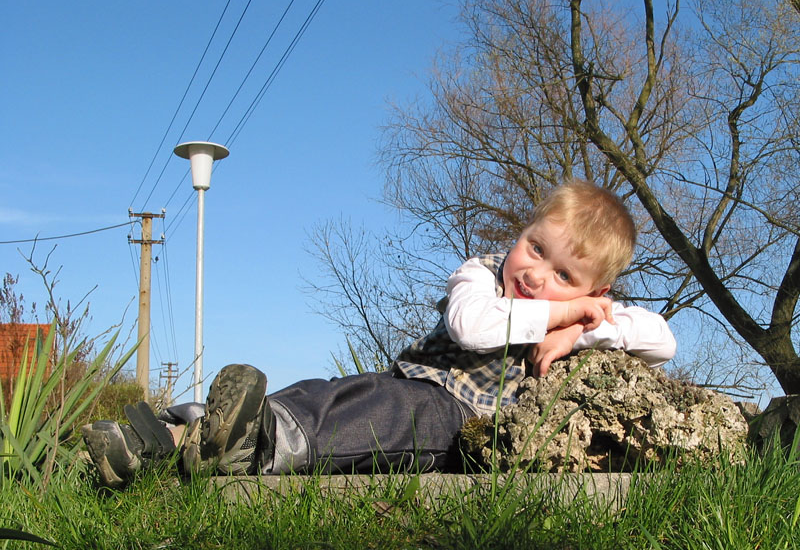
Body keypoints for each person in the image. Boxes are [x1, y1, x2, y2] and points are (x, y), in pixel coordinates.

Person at [82, 180, 676, 486]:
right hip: (417, 388)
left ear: (593, 290)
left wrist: (584, 331)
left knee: (373, 423)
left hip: (466, 429)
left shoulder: (586, 315)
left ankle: (250, 440)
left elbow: (663, 340)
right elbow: (472, 326)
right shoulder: (482, 275)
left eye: (563, 276)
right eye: (535, 246)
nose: (535, 272)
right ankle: (181, 429)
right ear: (521, 231)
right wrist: (559, 315)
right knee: (330, 396)